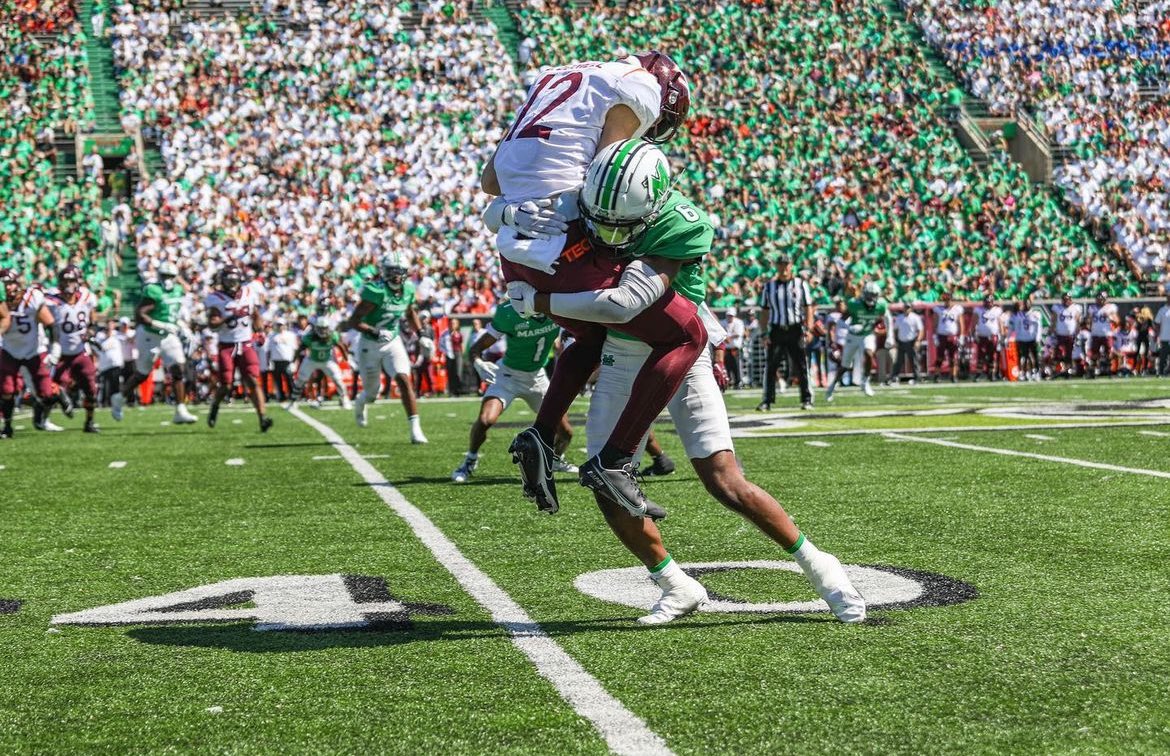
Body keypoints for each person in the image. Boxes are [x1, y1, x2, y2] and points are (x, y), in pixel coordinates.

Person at [519, 165, 865, 625]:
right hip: (622, 352)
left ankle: (821, 567)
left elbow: (624, 303)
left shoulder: (681, 222)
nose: (610, 234)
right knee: (604, 481)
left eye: (622, 224)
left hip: (684, 351)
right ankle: (674, 583)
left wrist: (538, 301)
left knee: (724, 480)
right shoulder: (597, 197)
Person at [485, 56, 707, 519]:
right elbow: (606, 176)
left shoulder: (554, 78)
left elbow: (491, 179)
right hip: (562, 244)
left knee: (588, 334)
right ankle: (618, 459)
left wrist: (504, 211)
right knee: (686, 335)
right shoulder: (637, 86)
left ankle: (542, 436)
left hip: (515, 251)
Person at [452, 301, 576, 484]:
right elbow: (476, 348)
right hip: (508, 375)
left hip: (537, 378)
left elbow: (569, 335)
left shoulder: (558, 308)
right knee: (486, 419)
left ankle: (556, 459)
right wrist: (478, 363)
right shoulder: (509, 312)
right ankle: (470, 459)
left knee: (566, 433)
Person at [342, 252, 428, 444]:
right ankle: (361, 402)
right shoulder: (375, 291)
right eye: (392, 271)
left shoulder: (408, 289)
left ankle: (415, 429)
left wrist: (421, 335)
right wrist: (375, 332)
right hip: (369, 343)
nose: (396, 275)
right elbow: (353, 321)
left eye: (400, 271)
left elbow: (410, 311)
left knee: (404, 380)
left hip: (392, 341)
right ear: (384, 272)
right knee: (373, 393)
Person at [121, 262, 197, 424]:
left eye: (171, 276)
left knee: (178, 368)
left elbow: (173, 313)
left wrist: (182, 326)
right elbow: (140, 314)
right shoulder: (152, 290)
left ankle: (180, 410)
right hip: (149, 335)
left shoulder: (178, 289)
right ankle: (119, 397)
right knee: (142, 373)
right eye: (165, 276)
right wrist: (161, 324)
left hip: (168, 335)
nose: (168, 280)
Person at [0, 270, 71, 437]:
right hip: (9, 350)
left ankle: (56, 394)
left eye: (10, 283)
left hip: (33, 351)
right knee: (6, 390)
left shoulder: (32, 298)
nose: (8, 288)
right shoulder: (1, 303)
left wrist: (55, 346)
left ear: (18, 284)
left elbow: (51, 324)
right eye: (4, 284)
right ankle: (7, 427)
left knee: (45, 393)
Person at [205, 265, 272, 432]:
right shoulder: (215, 298)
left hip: (246, 342)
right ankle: (215, 406)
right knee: (226, 385)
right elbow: (212, 324)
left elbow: (255, 314)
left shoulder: (249, 293)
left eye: (233, 280)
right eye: (228, 280)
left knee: (252, 380)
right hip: (227, 345)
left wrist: (261, 331)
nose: (231, 283)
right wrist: (225, 319)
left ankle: (262, 417)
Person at [46, 266, 100, 433]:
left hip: (80, 351)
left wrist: (90, 332)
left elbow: (93, 320)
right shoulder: (51, 301)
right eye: (65, 281)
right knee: (52, 387)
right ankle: (44, 417)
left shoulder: (87, 296)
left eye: (71, 280)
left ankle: (89, 423)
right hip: (60, 352)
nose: (68, 284)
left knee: (91, 388)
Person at [757, 255, 814, 410]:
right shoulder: (769, 287)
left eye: (786, 264)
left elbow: (808, 307)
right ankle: (767, 400)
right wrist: (764, 333)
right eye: (781, 264)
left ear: (791, 265)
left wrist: (808, 329)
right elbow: (764, 311)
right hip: (777, 329)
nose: (784, 268)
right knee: (771, 366)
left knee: (802, 365)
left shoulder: (800, 284)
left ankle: (807, 399)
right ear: (776, 266)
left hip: (795, 328)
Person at [825, 282, 892, 402]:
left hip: (867, 334)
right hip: (853, 336)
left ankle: (865, 381)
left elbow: (887, 318)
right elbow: (840, 321)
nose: (871, 298)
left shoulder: (881, 304)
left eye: (874, 295)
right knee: (845, 365)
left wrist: (890, 337)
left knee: (869, 354)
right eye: (869, 295)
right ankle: (833, 384)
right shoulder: (854, 304)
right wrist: (849, 327)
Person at [287, 316, 351, 410]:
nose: (323, 331)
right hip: (312, 360)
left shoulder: (333, 335)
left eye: (324, 328)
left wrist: (347, 358)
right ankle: (293, 401)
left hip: (327, 361)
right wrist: (292, 362)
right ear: (316, 328)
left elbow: (341, 346)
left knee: (338, 379)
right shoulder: (309, 337)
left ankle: (344, 399)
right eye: (321, 328)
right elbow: (300, 349)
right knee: (300, 380)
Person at [932, 291, 964, 382]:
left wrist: (961, 336)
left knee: (953, 357)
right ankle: (937, 375)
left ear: (952, 300)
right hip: (942, 336)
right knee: (939, 357)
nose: (947, 302)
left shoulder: (957, 309)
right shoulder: (938, 309)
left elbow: (961, 324)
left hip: (953, 336)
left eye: (948, 300)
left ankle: (953, 376)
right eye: (945, 300)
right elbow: (935, 323)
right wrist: (934, 336)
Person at [972, 294, 1005, 382]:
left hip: (993, 336)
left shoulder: (997, 310)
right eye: (987, 302)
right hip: (982, 336)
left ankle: (991, 374)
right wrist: (973, 334)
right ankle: (978, 374)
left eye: (990, 302)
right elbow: (973, 323)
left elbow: (1000, 323)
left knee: (993, 356)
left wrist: (1002, 336)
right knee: (981, 356)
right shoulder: (978, 310)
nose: (989, 304)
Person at [1050, 293, 1083, 378]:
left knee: (1069, 354)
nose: (1066, 301)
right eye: (1064, 299)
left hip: (1071, 335)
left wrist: (1078, 333)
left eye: (1068, 299)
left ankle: (1068, 370)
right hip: (1060, 334)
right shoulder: (1057, 307)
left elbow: (1078, 322)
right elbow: (1053, 320)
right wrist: (1052, 331)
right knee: (1058, 353)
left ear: (1071, 299)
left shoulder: (1076, 308)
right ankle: (1057, 370)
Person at [1011, 296, 1043, 381]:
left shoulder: (1036, 314)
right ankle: (1023, 373)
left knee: (1034, 357)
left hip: (1032, 338)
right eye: (1025, 304)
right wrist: (1017, 337)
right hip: (1022, 338)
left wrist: (1038, 338)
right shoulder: (1019, 314)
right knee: (1023, 357)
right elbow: (1016, 327)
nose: (1026, 305)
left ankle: (1035, 372)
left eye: (1028, 304)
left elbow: (1039, 327)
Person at [1088, 291, 1119, 378]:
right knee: (1094, 354)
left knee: (1109, 353)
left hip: (1107, 334)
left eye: (1101, 299)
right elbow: (1089, 321)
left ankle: (1110, 371)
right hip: (1095, 334)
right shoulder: (1092, 307)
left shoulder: (1111, 307)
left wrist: (1110, 317)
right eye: (1098, 299)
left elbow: (1117, 321)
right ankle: (1093, 371)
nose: (1099, 301)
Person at [96, 320, 125, 411]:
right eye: (108, 324)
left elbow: (128, 337)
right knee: (105, 385)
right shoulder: (100, 335)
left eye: (111, 325)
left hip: (115, 364)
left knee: (115, 385)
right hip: (104, 365)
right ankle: (104, 402)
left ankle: (115, 403)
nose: (110, 326)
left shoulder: (117, 334)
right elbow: (98, 346)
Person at [893, 301, 924, 384]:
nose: (906, 309)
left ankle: (917, 377)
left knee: (914, 360)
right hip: (901, 341)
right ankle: (894, 377)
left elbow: (920, 330)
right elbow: (895, 330)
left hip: (911, 341)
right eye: (905, 308)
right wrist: (895, 340)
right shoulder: (899, 317)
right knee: (899, 361)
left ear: (911, 309)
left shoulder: (915, 317)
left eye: (908, 308)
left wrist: (918, 340)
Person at [722, 306, 745, 389]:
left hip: (735, 348)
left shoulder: (739, 322)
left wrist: (728, 337)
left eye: (731, 316)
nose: (729, 317)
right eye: (728, 315)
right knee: (727, 366)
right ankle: (729, 382)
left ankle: (738, 382)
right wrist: (726, 338)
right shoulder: (723, 322)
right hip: (726, 348)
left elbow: (738, 333)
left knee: (737, 366)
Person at [1155, 294, 1170, 377]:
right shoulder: (1162, 310)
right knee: (1163, 357)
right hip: (1164, 337)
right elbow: (1157, 323)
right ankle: (1160, 372)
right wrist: (1158, 335)